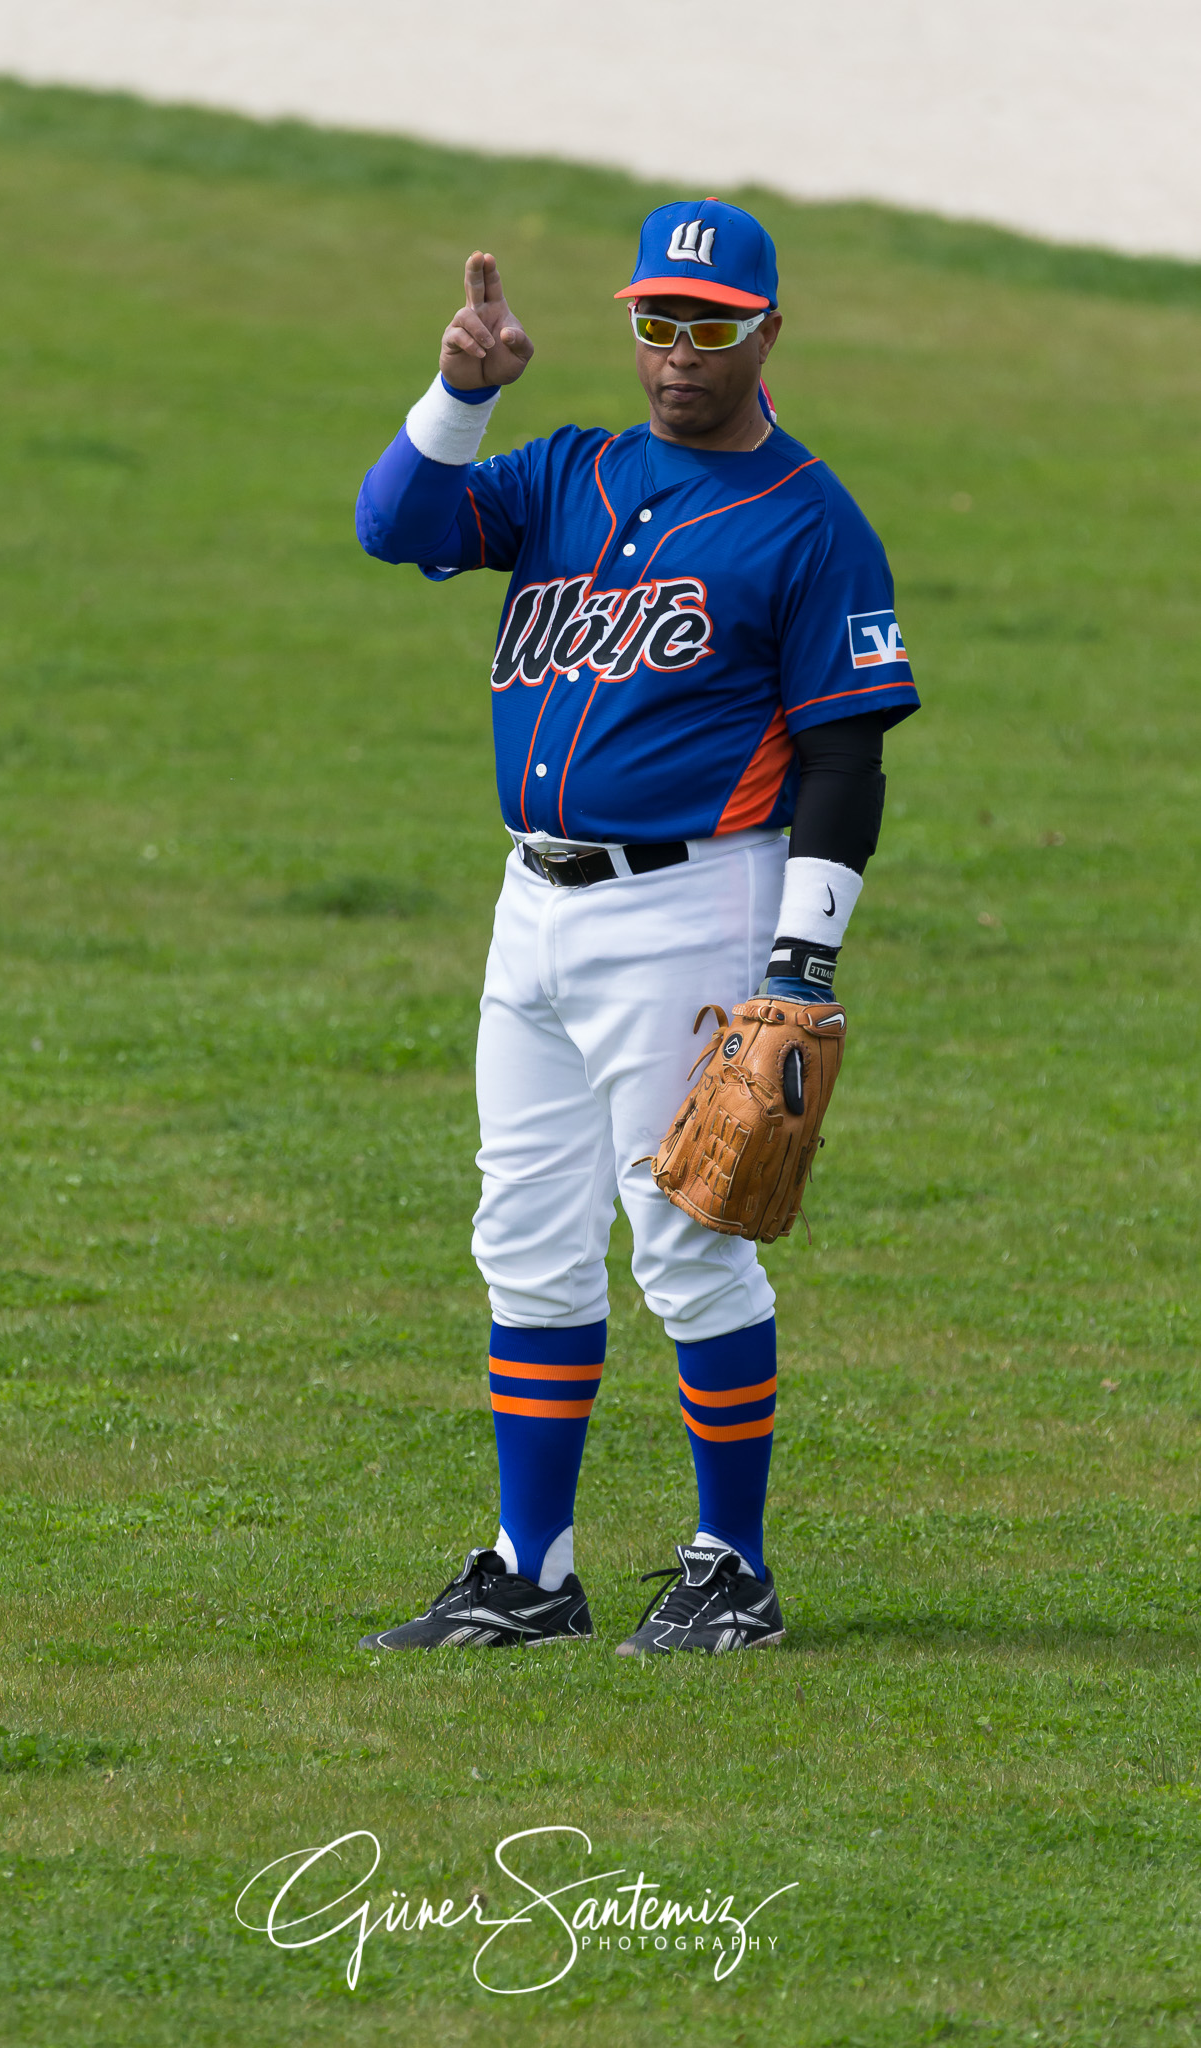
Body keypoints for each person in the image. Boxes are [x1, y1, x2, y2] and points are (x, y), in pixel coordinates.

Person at [354, 198, 918, 1655]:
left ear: (766, 335)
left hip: (694, 905)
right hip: (529, 903)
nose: (678, 352)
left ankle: (732, 1569)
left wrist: (801, 958)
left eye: (709, 327)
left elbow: (845, 757)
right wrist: (461, 392)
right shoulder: (568, 473)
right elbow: (395, 526)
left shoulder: (812, 522)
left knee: (688, 1244)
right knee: (526, 1238)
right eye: (656, 321)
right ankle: (529, 1570)